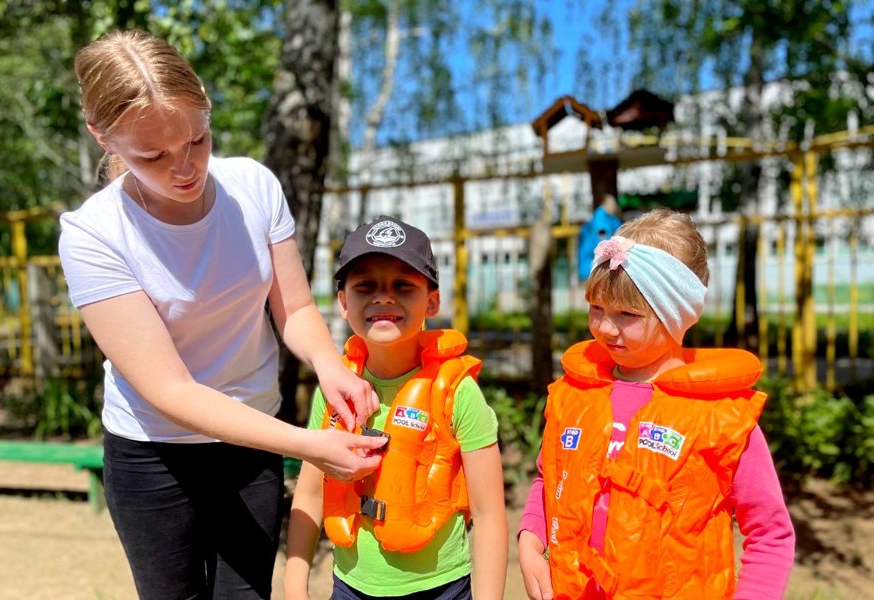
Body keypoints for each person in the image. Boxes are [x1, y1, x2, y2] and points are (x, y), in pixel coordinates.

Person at [59, 30, 387, 599]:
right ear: (101, 136)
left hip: (251, 446)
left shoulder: (253, 185)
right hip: (153, 453)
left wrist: (331, 366)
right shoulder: (92, 235)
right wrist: (307, 445)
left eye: (197, 140)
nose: (185, 167)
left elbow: (297, 308)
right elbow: (171, 391)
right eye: (153, 156)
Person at [517, 208, 795, 600]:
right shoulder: (574, 394)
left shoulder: (722, 415)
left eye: (627, 314)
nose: (605, 328)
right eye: (597, 308)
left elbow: (769, 532)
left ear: (676, 312)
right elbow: (551, 479)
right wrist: (530, 539)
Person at [284, 216, 508, 600]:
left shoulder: (459, 392)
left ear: (432, 301)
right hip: (350, 587)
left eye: (403, 286)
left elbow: (489, 515)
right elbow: (309, 495)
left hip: (442, 589)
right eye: (365, 286)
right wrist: (294, 588)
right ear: (342, 302)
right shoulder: (334, 389)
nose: (383, 297)